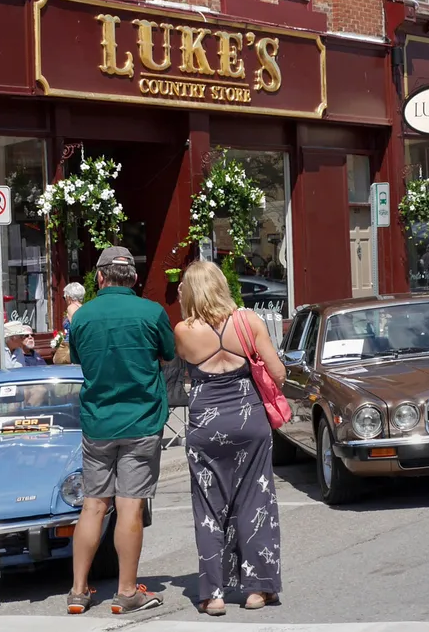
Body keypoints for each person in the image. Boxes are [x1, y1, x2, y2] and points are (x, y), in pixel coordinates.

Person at [66, 246, 176, 615]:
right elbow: (168, 352)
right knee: (130, 504)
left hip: (98, 422)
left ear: (99, 277)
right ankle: (126, 590)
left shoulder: (82, 317)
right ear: (133, 278)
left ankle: (79, 591)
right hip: (141, 420)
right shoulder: (151, 312)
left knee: (94, 505)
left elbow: (79, 358)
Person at [174, 260, 286, 615]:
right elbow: (278, 373)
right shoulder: (248, 321)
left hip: (206, 426)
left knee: (209, 508)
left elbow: (181, 373)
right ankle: (257, 589)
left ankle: (214, 595)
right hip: (249, 419)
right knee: (255, 501)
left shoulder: (183, 330)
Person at [54, 281, 87, 365]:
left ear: (68, 297)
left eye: (64, 297)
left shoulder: (71, 307)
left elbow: (75, 326)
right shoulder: (84, 308)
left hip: (69, 347)